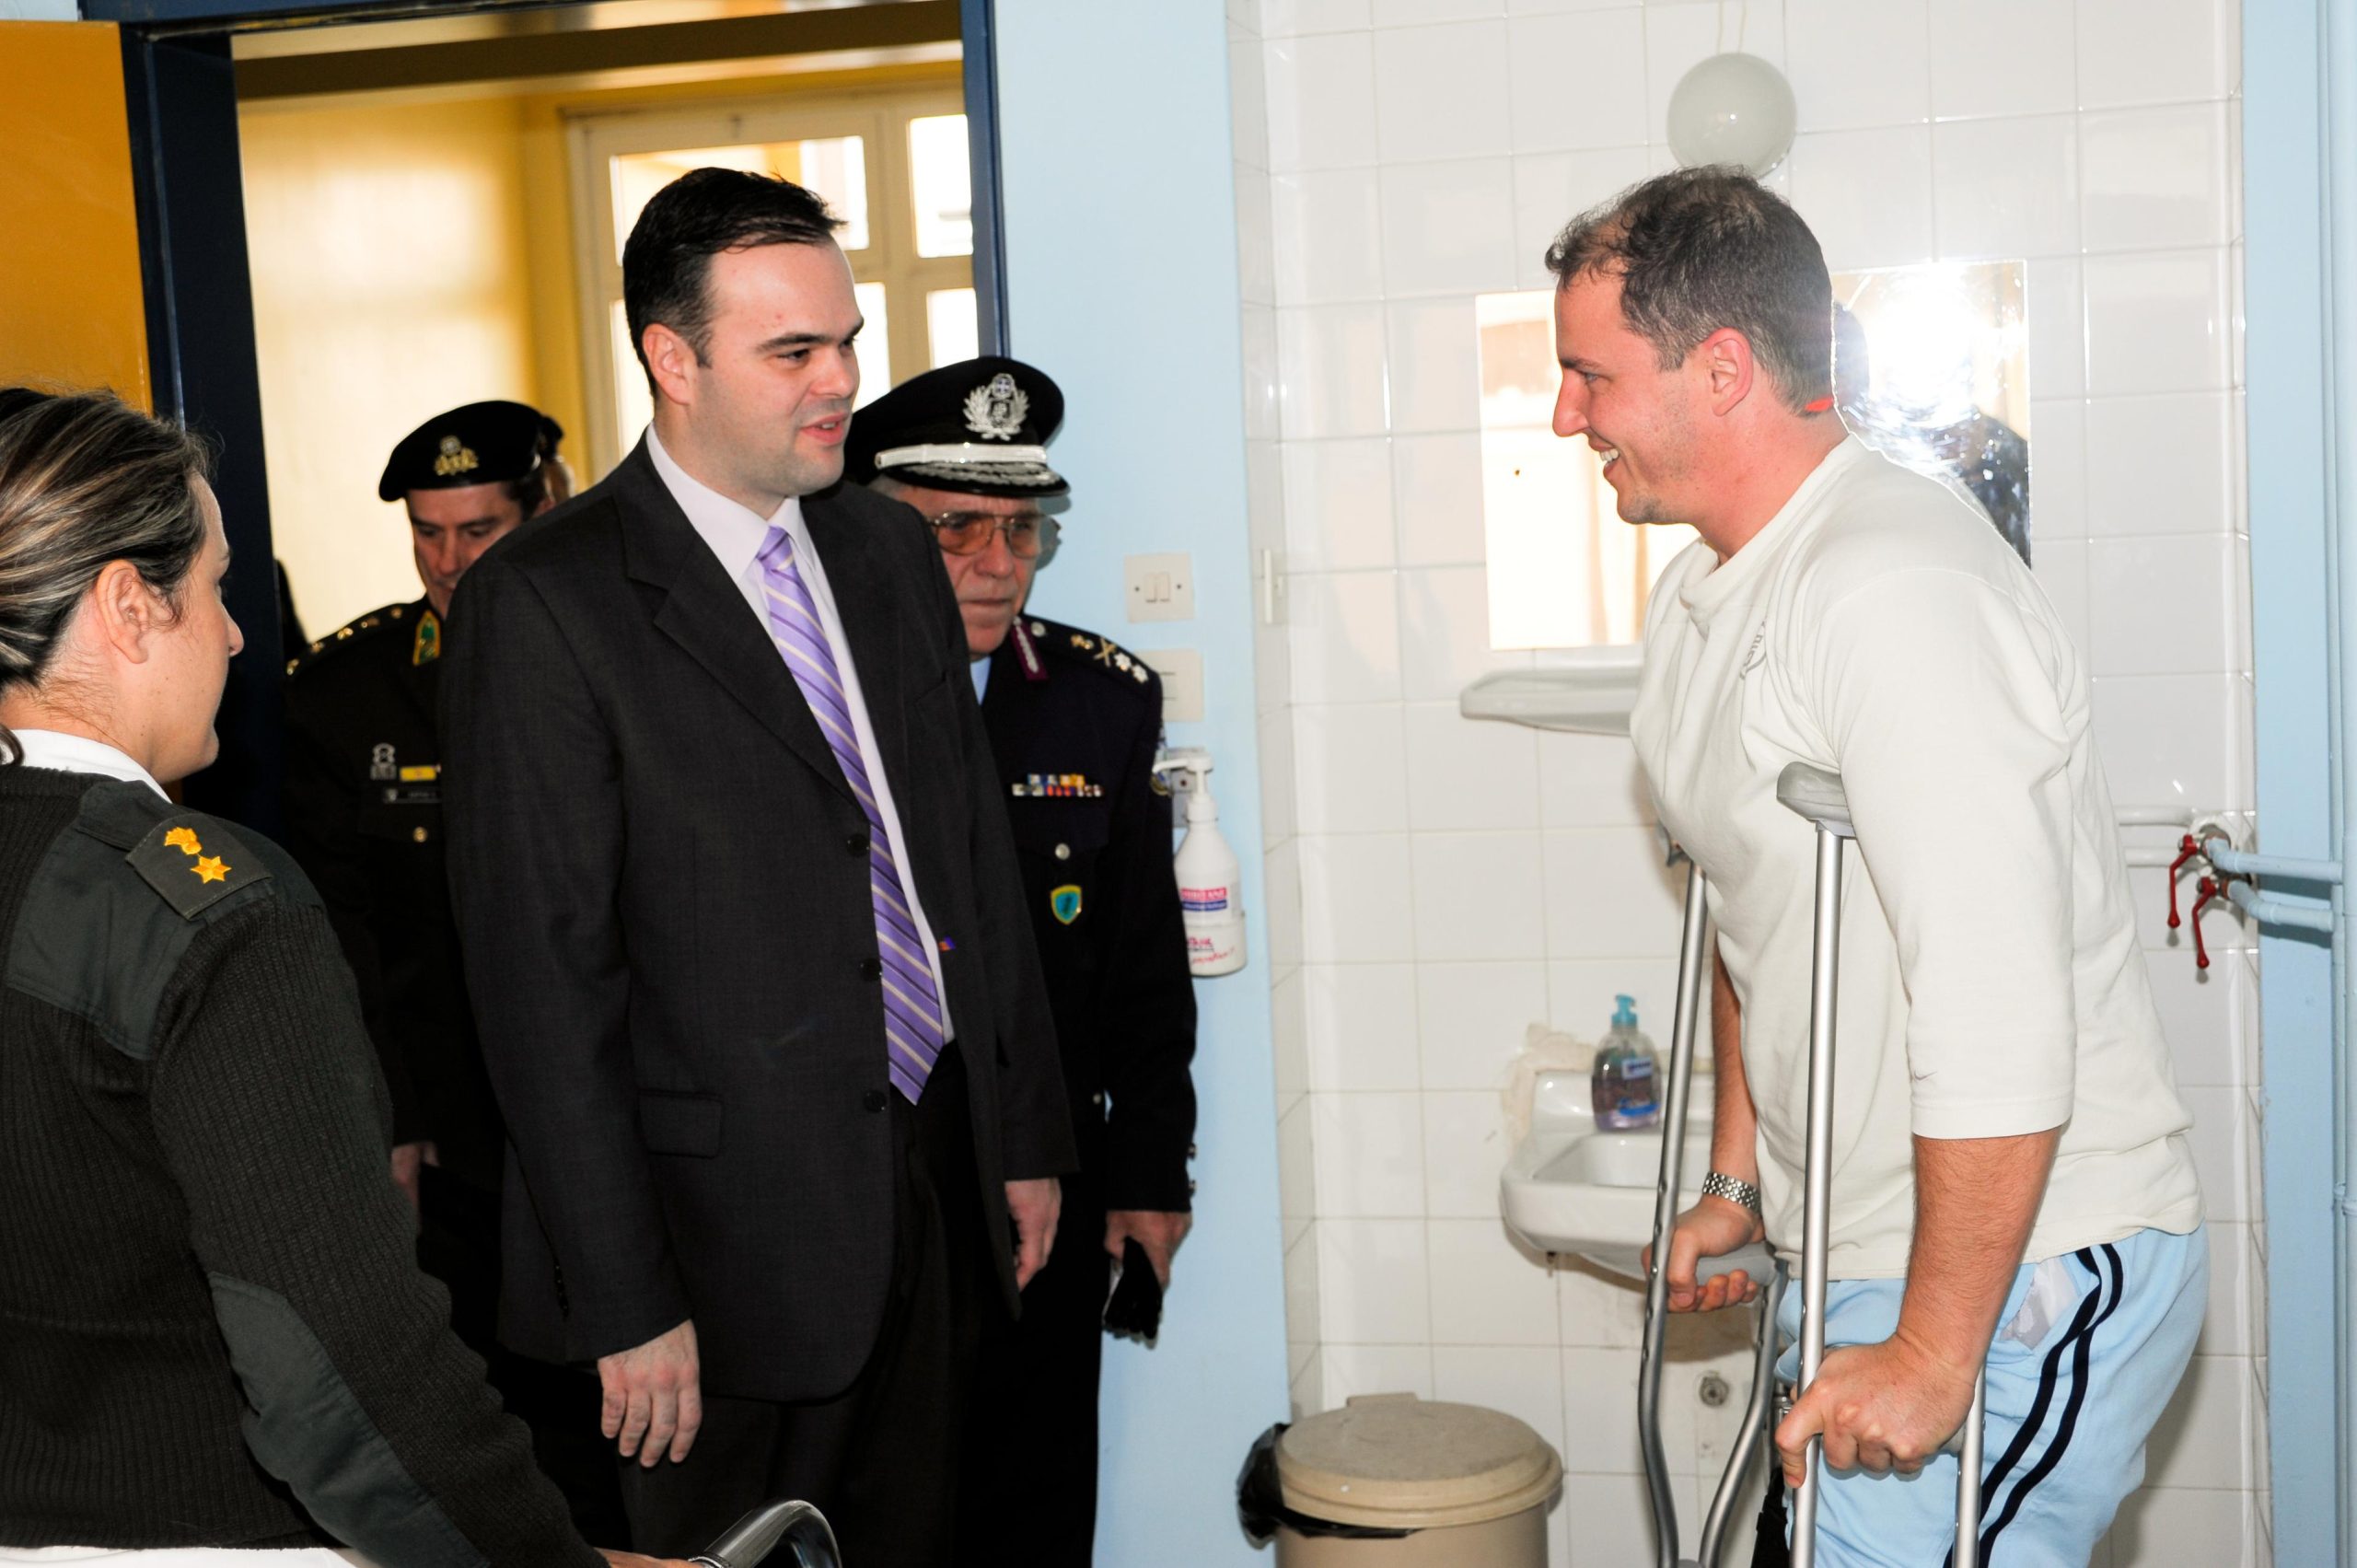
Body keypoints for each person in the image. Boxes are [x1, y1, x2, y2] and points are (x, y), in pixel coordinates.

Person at [1549, 170, 2206, 1562]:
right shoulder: (1699, 598)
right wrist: (1737, 1181)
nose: (1565, 416)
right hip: (1863, 1255)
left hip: (2015, 1271)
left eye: (1589, 376)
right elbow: (1749, 912)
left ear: (1720, 369)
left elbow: (1995, 996)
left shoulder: (1895, 585)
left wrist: (1933, 1345)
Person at [438, 168, 1074, 1566]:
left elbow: (965, 861)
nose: (839, 380)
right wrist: (623, 1295)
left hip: (929, 1166)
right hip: (713, 1242)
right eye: (794, 351)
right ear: (673, 359)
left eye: (845, 341)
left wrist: (1021, 1132)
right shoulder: (545, 601)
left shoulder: (882, 548)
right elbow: (543, 989)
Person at [0, 388, 684, 1568]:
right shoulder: (207, 910)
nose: (234, 636)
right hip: (202, 1534)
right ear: (127, 604)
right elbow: (346, 1368)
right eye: (215, 587)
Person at [847, 357, 1199, 1566]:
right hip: (869, 1170)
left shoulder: (1100, 701)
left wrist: (1149, 1169)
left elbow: (1144, 960)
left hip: (1050, 1158)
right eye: (956, 529)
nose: (998, 562)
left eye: (1022, 529)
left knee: (1033, 1495)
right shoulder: (809, 701)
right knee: (884, 1499)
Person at [281, 398, 621, 1540]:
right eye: (427, 532)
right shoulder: (346, 692)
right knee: (482, 1410)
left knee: (623, 1412)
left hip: (612, 1106)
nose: (447, 560)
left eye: (479, 530)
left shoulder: (618, 653)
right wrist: (386, 1115)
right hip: (450, 1124)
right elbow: (341, 933)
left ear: (544, 508)